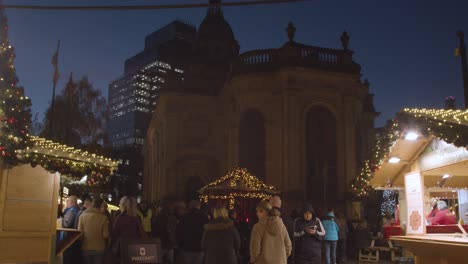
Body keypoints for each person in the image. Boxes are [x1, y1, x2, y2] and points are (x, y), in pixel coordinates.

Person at [112, 196, 147, 262]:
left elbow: (115, 233)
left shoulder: (120, 218)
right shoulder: (137, 217)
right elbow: (141, 232)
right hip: (135, 246)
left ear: (124, 205)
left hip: (123, 246)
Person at [176, 199, 209, 264]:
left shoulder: (184, 217)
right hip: (200, 247)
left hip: (187, 247)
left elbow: (179, 232)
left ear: (189, 207)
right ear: (199, 206)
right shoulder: (204, 217)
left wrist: (180, 244)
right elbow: (207, 232)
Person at [78, 197, 110, 264]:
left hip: (86, 247)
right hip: (99, 248)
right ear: (100, 206)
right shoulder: (104, 218)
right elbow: (105, 235)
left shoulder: (82, 216)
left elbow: (79, 234)